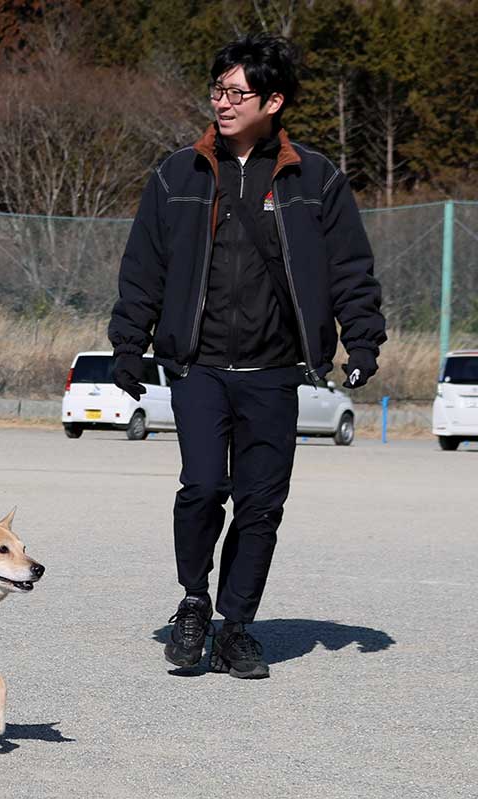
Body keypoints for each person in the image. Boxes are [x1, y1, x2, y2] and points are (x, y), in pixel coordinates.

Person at [108, 34, 385, 678]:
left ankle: (236, 626)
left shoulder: (314, 178)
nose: (223, 103)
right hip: (198, 367)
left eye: (238, 93)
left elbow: (350, 269)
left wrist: (362, 340)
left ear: (274, 100)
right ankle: (194, 603)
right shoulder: (178, 174)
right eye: (217, 90)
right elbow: (144, 267)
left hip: (272, 371)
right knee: (203, 487)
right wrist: (129, 343)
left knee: (261, 505)